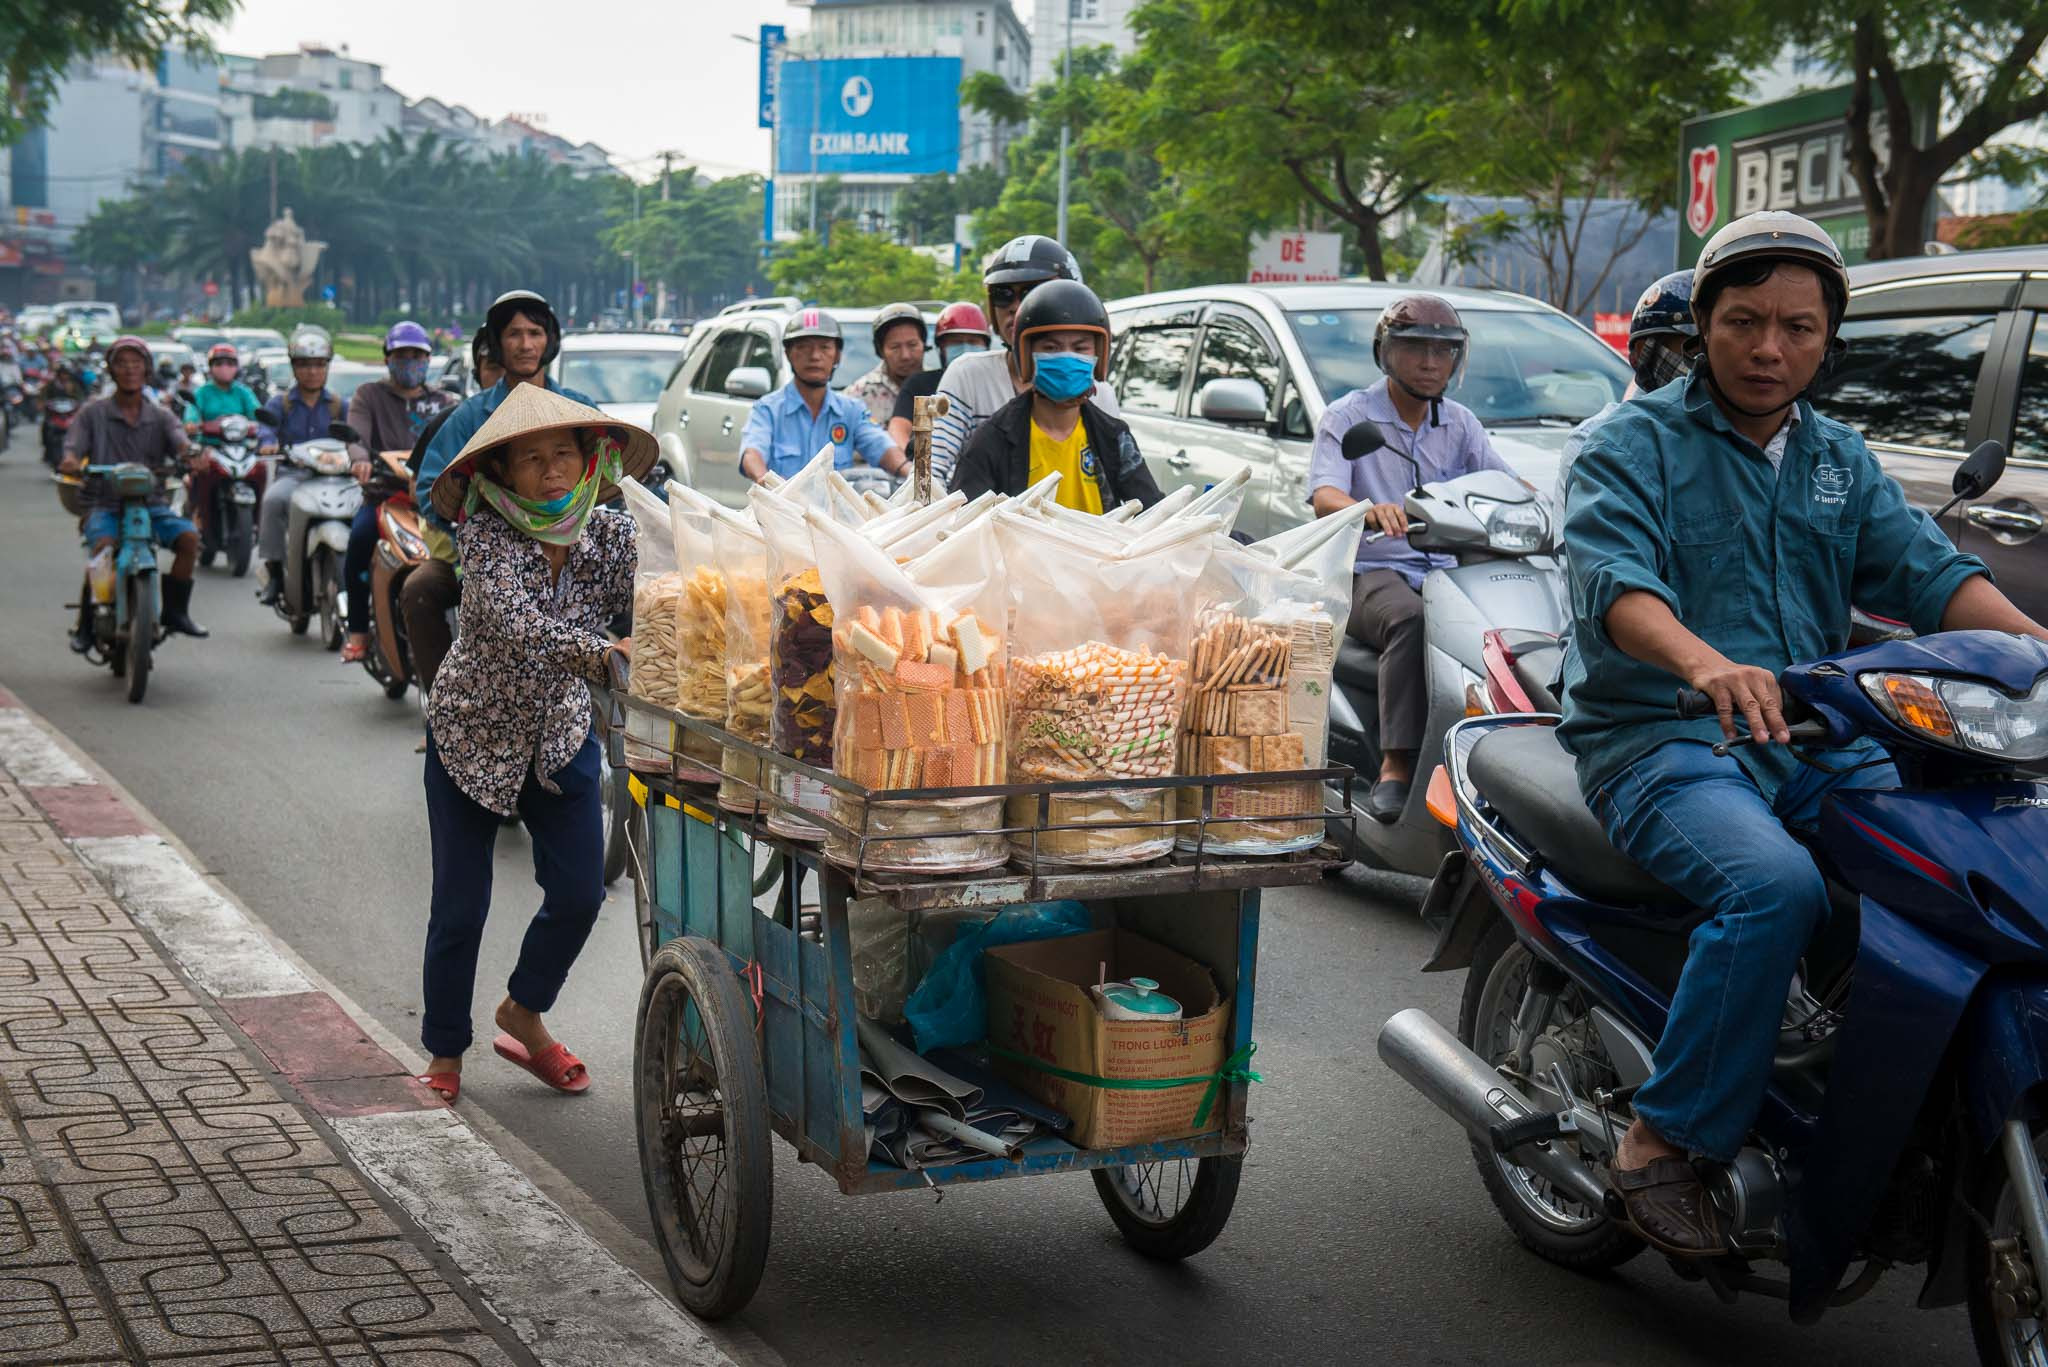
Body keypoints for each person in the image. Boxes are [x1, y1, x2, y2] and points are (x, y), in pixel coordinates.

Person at [1560, 209, 2048, 1256]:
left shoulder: (1835, 456)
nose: (1767, 348)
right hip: (1661, 739)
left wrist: (2031, 647)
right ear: (1701, 324)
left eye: (1795, 326)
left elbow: (1929, 575)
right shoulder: (1626, 443)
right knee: (1771, 887)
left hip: (1816, 739)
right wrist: (1702, 661)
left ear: (1827, 338)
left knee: (1967, 863)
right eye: (1742, 322)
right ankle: (1660, 1133)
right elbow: (1615, 588)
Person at [411, 384, 657, 1103]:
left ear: (589, 463)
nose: (549, 471)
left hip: (559, 736)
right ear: (502, 474)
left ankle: (524, 1010)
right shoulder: (486, 536)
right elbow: (515, 624)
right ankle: (446, 1053)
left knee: (581, 892)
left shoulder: (611, 534)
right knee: (460, 905)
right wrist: (610, 655)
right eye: (530, 459)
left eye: (563, 455)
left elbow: (658, 591)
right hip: (471, 735)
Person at [1306, 294, 1513, 822]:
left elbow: (1502, 482)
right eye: (1416, 348)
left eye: (1443, 352)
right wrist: (1369, 510)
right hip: (1371, 572)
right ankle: (1396, 764)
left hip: (1446, 572)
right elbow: (1325, 495)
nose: (1429, 362)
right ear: (1386, 353)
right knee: (1411, 620)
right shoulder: (1349, 416)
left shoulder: (1460, 424)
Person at [928, 235, 1122, 486]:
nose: (1015, 306)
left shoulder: (1100, 394)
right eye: (1003, 294)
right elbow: (931, 468)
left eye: (1033, 292)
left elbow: (1124, 486)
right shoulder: (969, 375)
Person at [950, 280, 1160, 511]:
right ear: (1026, 355)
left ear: (1098, 355)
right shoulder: (992, 439)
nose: (1067, 358)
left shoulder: (1114, 437)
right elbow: (964, 521)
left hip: (1098, 548)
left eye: (1080, 349)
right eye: (1051, 348)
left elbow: (1153, 510)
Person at [57, 336, 210, 648]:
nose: (129, 371)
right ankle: (86, 622)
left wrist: (191, 455)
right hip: (104, 503)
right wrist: (71, 461)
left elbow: (181, 441)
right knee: (102, 549)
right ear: (112, 371)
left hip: (150, 503)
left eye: (136, 365)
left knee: (190, 540)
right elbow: (72, 448)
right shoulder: (92, 413)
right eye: (122, 365)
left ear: (147, 371)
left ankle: (176, 612)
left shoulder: (161, 415)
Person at [415, 290, 594, 533]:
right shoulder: (469, 417)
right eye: (514, 334)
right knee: (425, 574)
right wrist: (477, 532)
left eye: (535, 333)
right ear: (498, 343)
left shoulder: (579, 409)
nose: (525, 345)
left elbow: (609, 476)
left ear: (549, 342)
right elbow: (430, 491)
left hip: (575, 553)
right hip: (485, 556)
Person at [340, 321, 458, 663]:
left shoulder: (445, 401)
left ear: (428, 359)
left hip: (436, 502)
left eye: (417, 355)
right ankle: (359, 632)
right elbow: (356, 438)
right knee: (358, 541)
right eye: (402, 355)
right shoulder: (368, 395)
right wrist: (360, 461)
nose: (410, 362)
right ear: (388, 358)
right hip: (384, 498)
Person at [403, 332, 501, 701]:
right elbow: (426, 488)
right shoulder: (459, 421)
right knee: (418, 590)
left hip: (550, 554)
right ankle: (443, 706)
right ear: (479, 371)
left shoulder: (560, 411)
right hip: (461, 554)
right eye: (493, 366)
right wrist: (466, 526)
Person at [1559, 269, 1699, 501]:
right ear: (1645, 352)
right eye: (1691, 349)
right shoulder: (1598, 441)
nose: (1702, 361)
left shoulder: (1733, 432)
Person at [738, 309, 907, 483]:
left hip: (835, 509)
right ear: (788, 354)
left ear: (837, 356)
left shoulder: (852, 410)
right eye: (803, 347)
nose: (814, 356)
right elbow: (752, 453)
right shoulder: (767, 409)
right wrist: (765, 480)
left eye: (824, 347)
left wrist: (910, 473)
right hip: (782, 506)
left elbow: (882, 447)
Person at [255, 325, 344, 605]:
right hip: (294, 476)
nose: (312, 371)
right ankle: (274, 572)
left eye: (319, 365)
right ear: (294, 367)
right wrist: (268, 443)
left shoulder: (339, 405)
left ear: (327, 368)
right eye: (305, 365)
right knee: (272, 500)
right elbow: (264, 430)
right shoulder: (280, 403)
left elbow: (357, 435)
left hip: (334, 478)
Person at [888, 301, 991, 448]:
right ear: (941, 348)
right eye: (956, 342)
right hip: (934, 467)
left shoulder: (998, 384)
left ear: (986, 346)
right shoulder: (922, 386)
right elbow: (899, 428)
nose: (965, 348)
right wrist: (912, 462)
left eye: (972, 341)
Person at [845, 302, 928, 426]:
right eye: (895, 347)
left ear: (924, 344)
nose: (905, 355)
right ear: (880, 351)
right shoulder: (857, 397)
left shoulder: (941, 386)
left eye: (912, 345)